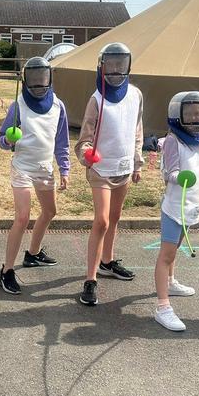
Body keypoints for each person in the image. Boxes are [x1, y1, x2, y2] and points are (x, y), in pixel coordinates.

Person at [75, 42, 144, 306]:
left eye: (120, 64)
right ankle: (90, 280)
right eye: (111, 64)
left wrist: (137, 163)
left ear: (128, 65)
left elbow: (137, 130)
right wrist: (87, 154)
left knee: (115, 218)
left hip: (123, 168)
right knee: (102, 221)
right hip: (100, 170)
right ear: (102, 66)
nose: (116, 70)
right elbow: (84, 140)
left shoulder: (135, 95)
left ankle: (107, 262)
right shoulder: (96, 99)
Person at [0, 56, 70, 295]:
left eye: (43, 78)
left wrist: (65, 169)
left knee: (50, 211)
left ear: (49, 78)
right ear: (26, 79)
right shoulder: (18, 106)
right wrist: (8, 140)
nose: (38, 84)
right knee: (22, 217)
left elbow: (61, 141)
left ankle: (33, 254)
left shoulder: (58, 106)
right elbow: (1, 140)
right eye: (34, 79)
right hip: (22, 168)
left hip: (45, 169)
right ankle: (7, 271)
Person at [153, 91, 199, 331]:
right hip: (174, 207)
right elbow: (169, 173)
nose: (196, 118)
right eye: (190, 114)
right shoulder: (173, 141)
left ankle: (170, 282)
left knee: (174, 249)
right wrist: (180, 177)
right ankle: (162, 307)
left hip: (190, 205)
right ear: (178, 115)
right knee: (166, 255)